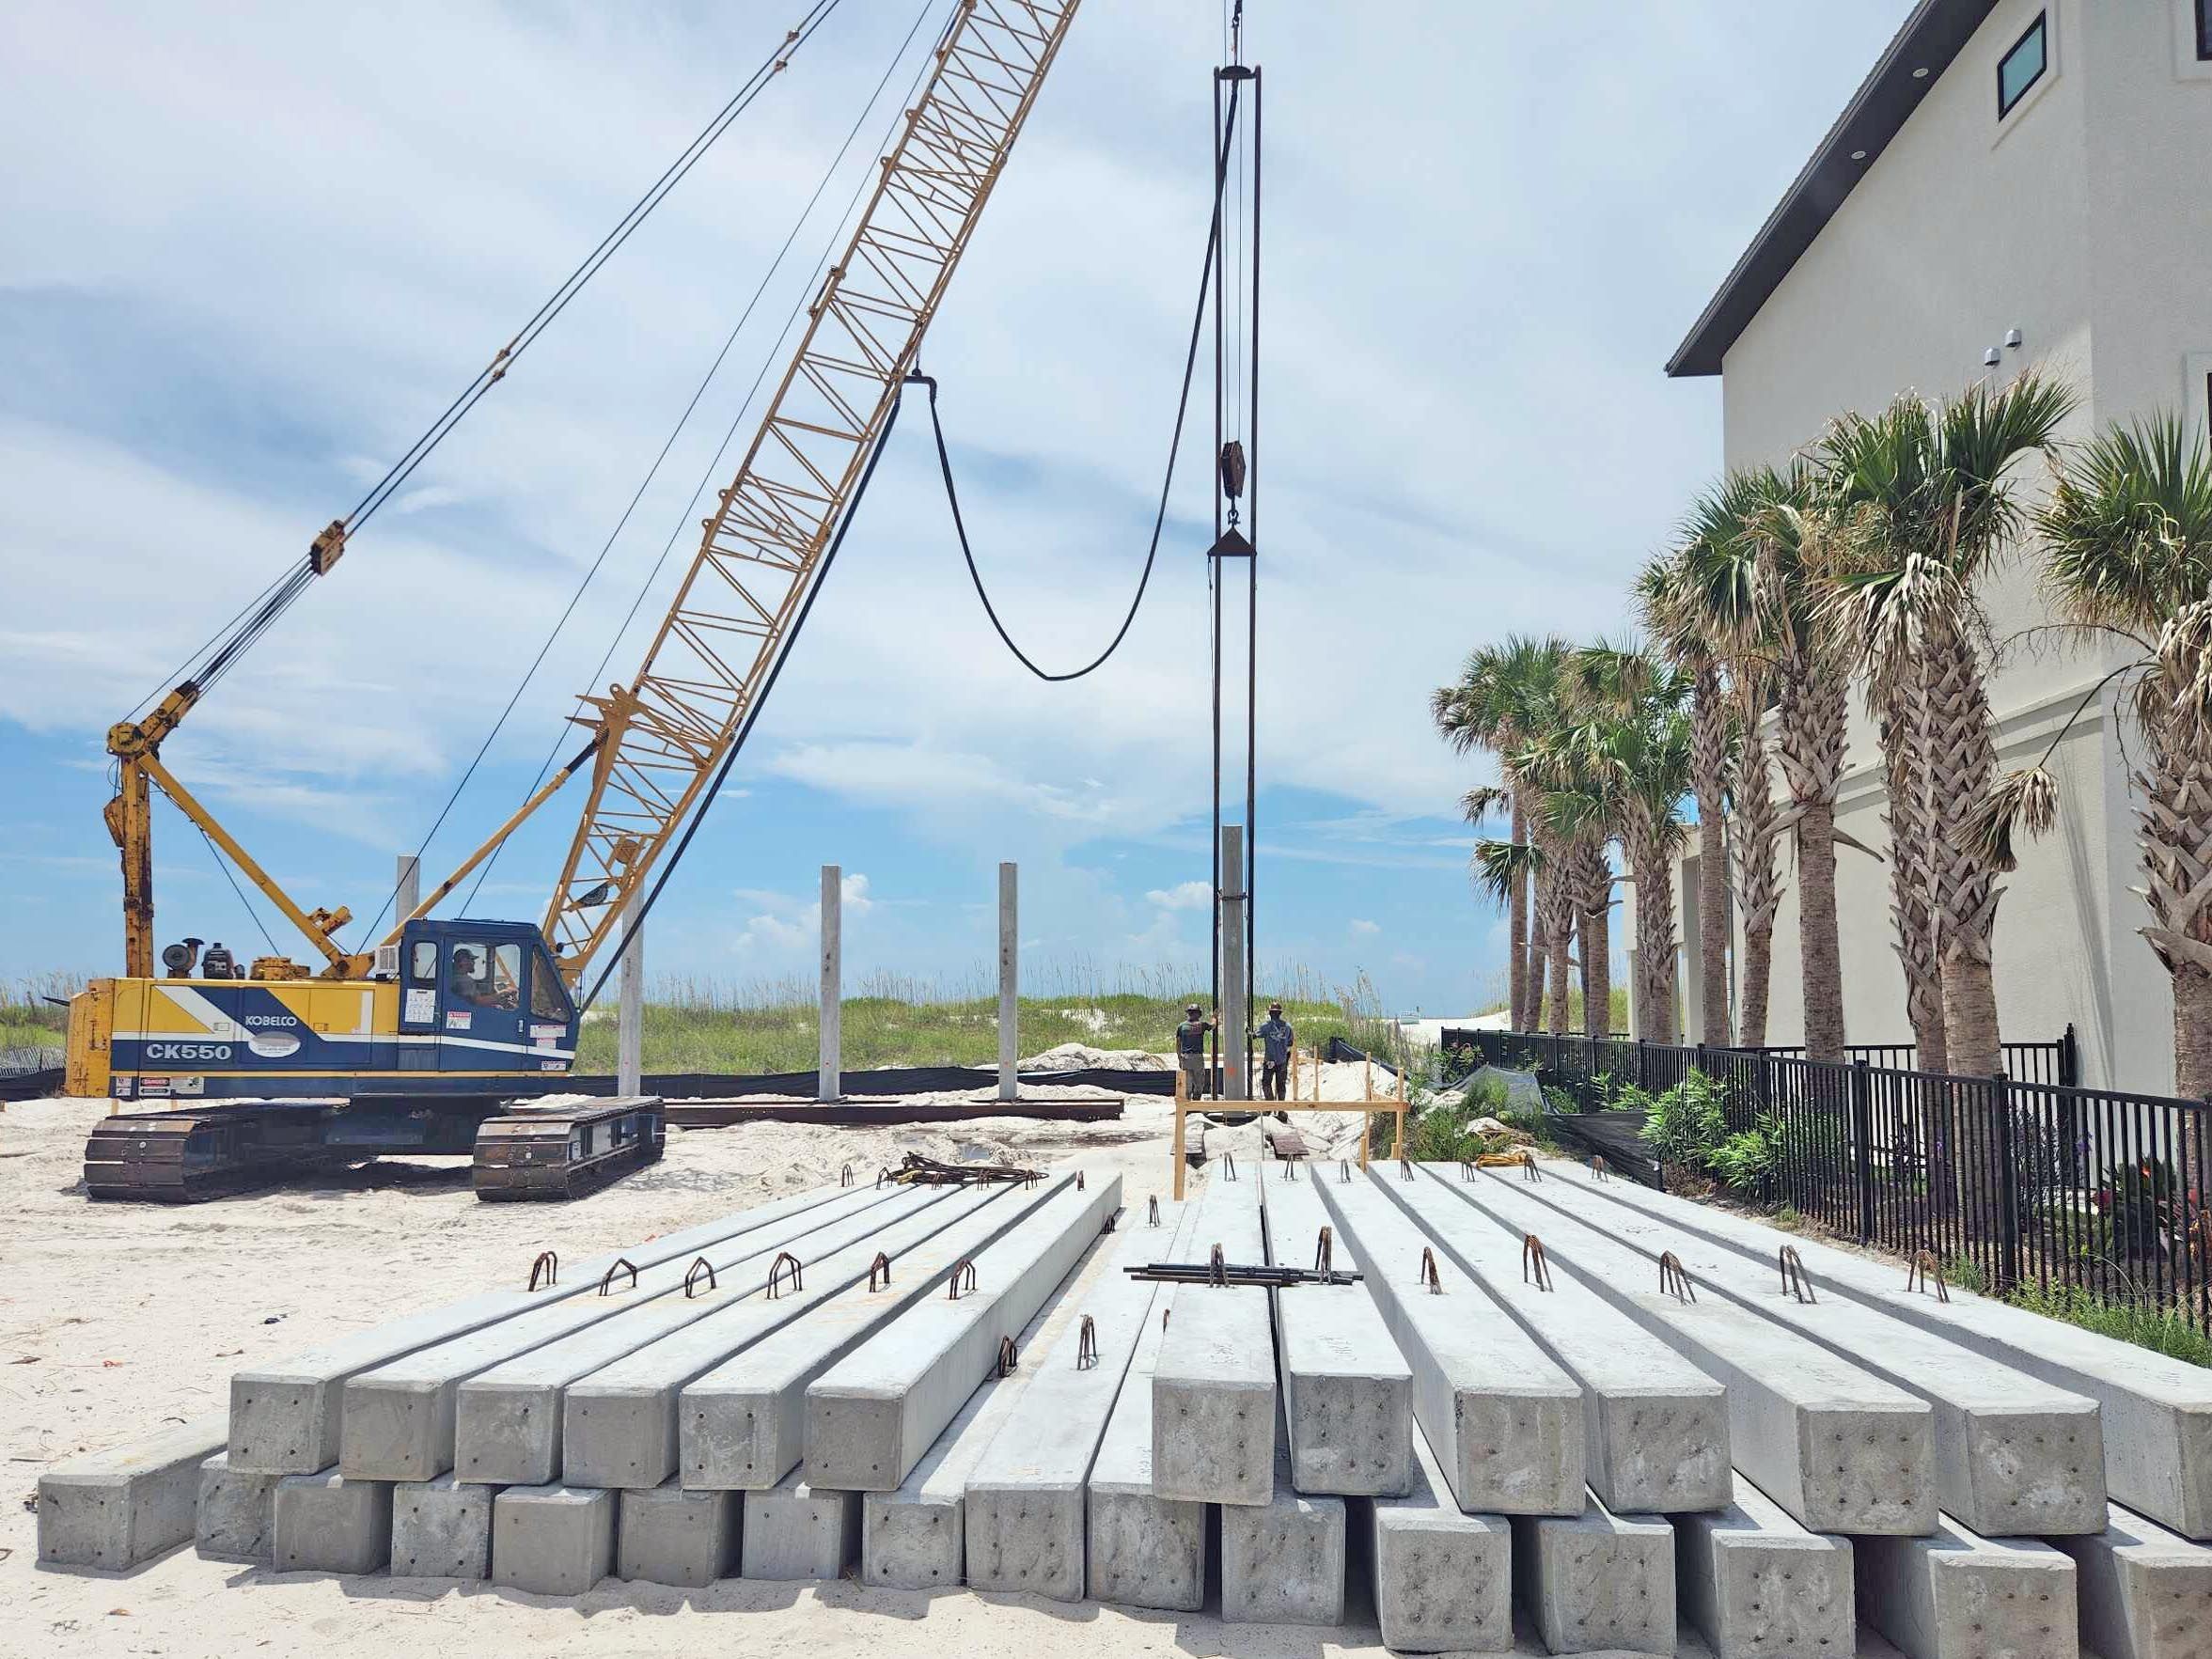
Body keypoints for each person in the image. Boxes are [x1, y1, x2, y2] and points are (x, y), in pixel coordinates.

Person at [1174, 1002, 1215, 1101]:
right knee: (1199, 1083)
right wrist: (1215, 1016)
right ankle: (1196, 1102)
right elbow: (1213, 1025)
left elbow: (1178, 1044)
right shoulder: (1201, 1025)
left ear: (1189, 1013)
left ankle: (1187, 1105)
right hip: (1197, 1058)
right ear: (1198, 1014)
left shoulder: (1181, 1026)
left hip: (1186, 1058)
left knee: (1187, 1084)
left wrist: (1179, 1059)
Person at [1256, 1000, 1294, 1101]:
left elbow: (1255, 1035)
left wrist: (1249, 1032)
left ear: (1270, 1013)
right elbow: (1290, 1043)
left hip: (1270, 1060)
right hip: (1282, 1061)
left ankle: (1269, 1105)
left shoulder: (1266, 1026)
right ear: (1280, 1013)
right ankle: (1280, 1109)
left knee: (1266, 1083)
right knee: (1281, 1085)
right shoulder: (1287, 1026)